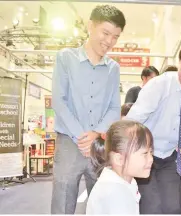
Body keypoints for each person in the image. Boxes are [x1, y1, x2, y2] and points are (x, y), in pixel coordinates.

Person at [51, 5, 126, 214]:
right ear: (91, 26)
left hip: (100, 144)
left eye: (115, 37)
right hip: (68, 143)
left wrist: (96, 136)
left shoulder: (114, 68)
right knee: (63, 202)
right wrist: (82, 137)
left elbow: (113, 106)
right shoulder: (65, 58)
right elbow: (59, 100)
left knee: (101, 202)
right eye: (106, 33)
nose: (109, 41)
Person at [126, 39, 181, 214]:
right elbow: (131, 122)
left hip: (169, 157)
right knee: (151, 207)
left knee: (173, 208)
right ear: (179, 63)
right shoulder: (159, 86)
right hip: (144, 155)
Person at [86, 120, 154, 215]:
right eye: (145, 153)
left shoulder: (124, 180)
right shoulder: (115, 194)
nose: (151, 159)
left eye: (151, 152)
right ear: (119, 159)